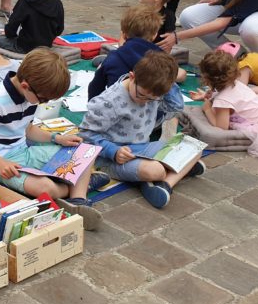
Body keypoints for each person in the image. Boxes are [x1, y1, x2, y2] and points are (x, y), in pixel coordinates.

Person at [0, 48, 105, 231]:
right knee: (46, 187)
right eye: (43, 99)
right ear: (25, 86)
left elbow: (27, 128)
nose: (42, 104)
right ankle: (76, 185)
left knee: (85, 151)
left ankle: (78, 199)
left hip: (24, 153)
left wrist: (56, 138)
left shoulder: (30, 95)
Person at [81, 51, 206, 209]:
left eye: (152, 99)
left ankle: (165, 184)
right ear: (132, 76)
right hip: (111, 158)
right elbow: (86, 135)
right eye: (141, 95)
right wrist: (113, 151)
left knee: (195, 147)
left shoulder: (151, 91)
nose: (144, 102)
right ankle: (173, 168)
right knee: (156, 170)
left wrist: (168, 81)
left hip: (142, 148)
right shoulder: (109, 102)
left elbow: (175, 107)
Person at [89, 5, 186, 100]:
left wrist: (94, 107)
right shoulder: (162, 59)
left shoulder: (113, 57)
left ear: (124, 34)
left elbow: (95, 88)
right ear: (154, 35)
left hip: (117, 108)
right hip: (150, 109)